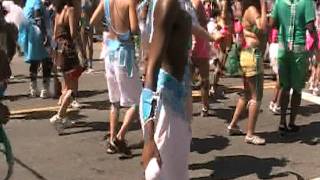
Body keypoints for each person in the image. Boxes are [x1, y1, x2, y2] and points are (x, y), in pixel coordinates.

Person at [139, 0, 223, 178]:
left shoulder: (177, 4)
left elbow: (191, 25)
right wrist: (148, 138)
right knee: (167, 174)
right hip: (166, 101)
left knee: (175, 172)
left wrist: (213, 38)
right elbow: (151, 70)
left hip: (177, 96)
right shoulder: (167, 3)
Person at [90, 0, 141, 157]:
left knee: (115, 101)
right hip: (124, 54)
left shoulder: (106, 1)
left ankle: (112, 138)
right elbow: (134, 29)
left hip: (109, 53)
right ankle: (119, 138)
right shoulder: (129, 2)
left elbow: (92, 22)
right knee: (137, 102)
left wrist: (109, 29)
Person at [270, 0, 317, 134]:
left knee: (285, 86)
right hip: (298, 47)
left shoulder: (279, 2)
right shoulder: (307, 2)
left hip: (282, 47)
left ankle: (282, 122)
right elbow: (310, 26)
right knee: (297, 88)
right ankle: (291, 123)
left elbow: (272, 24)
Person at [228, 0, 267, 145]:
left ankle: (233, 125)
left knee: (246, 94)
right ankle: (250, 134)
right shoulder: (252, 10)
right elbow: (262, 27)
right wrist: (263, 6)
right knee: (256, 97)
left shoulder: (247, 10)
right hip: (252, 56)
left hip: (247, 54)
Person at [50, 0, 86, 135]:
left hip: (59, 50)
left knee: (67, 85)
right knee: (72, 87)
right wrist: (82, 51)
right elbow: (73, 33)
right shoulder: (70, 10)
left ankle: (63, 117)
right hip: (68, 50)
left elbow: (54, 33)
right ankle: (59, 116)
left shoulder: (58, 11)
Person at [18, 0, 52, 98]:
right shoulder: (36, 1)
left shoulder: (28, 1)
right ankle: (45, 90)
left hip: (30, 34)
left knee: (34, 62)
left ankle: (33, 89)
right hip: (38, 33)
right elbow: (38, 18)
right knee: (47, 60)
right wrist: (44, 35)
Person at [191, 0, 211, 116]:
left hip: (189, 40)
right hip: (200, 40)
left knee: (188, 79)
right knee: (204, 78)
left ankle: (186, 108)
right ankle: (205, 106)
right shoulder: (197, 3)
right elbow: (202, 22)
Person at [80, 0, 94, 73]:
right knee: (83, 46)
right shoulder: (81, 2)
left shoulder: (90, 2)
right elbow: (80, 15)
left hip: (90, 24)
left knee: (90, 45)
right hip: (82, 25)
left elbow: (93, 13)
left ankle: (90, 64)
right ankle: (84, 63)